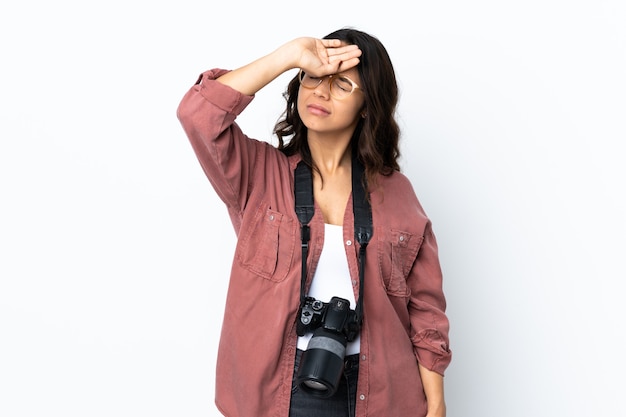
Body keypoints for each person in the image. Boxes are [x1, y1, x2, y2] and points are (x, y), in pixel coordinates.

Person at [177, 27, 452, 417]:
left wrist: (436, 403)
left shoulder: (398, 194)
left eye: (341, 85)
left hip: (381, 391)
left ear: (368, 106)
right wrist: (287, 56)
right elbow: (197, 114)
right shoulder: (259, 174)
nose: (320, 93)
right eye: (312, 77)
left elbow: (426, 309)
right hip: (281, 385)